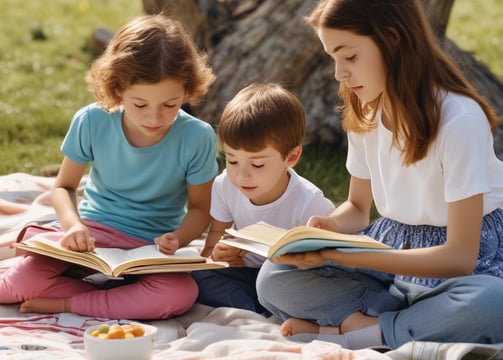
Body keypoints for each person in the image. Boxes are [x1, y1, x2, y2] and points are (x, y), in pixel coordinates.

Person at [256, 0, 503, 350]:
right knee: (273, 278)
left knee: (493, 302)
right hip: (393, 246)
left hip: (470, 262)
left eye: (350, 57)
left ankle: (362, 331)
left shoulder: (459, 119)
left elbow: (460, 257)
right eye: (333, 58)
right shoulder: (366, 113)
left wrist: (341, 257)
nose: (339, 73)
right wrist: (325, 231)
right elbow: (357, 208)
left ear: (393, 40)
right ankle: (402, 323)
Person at [0, 13, 218, 320]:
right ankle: (117, 298)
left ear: (187, 90)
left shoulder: (198, 136)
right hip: (90, 235)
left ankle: (69, 302)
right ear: (118, 90)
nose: (154, 118)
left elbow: (200, 209)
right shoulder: (92, 120)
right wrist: (73, 226)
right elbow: (63, 187)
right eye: (140, 104)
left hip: (151, 249)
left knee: (180, 294)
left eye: (170, 105)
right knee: (16, 284)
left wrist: (179, 238)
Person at [192, 83, 336, 314]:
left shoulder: (312, 204)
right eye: (232, 160)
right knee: (197, 276)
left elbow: (330, 266)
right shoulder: (224, 186)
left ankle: (268, 306)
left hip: (288, 278)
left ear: (291, 157)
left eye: (257, 164)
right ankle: (263, 309)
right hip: (248, 275)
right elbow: (216, 238)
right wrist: (221, 252)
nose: (241, 175)